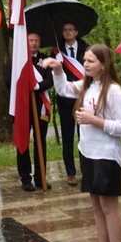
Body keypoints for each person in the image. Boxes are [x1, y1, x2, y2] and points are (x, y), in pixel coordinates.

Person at [42, 44, 121, 242]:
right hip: (89, 153)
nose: (86, 63)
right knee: (96, 205)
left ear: (104, 64)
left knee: (109, 208)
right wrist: (59, 68)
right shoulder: (88, 86)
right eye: (85, 60)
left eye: (91, 60)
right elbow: (63, 89)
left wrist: (95, 120)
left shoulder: (113, 91)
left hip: (107, 155)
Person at [16, 32, 54, 192]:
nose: (33, 43)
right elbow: (9, 81)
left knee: (41, 141)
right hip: (23, 106)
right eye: (31, 40)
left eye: (37, 41)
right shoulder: (18, 60)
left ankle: (40, 177)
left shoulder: (45, 59)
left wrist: (38, 86)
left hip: (40, 106)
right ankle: (25, 178)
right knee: (23, 142)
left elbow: (51, 80)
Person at [52, 22, 87, 185]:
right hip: (65, 99)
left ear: (76, 32)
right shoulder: (56, 51)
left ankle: (86, 169)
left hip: (83, 97)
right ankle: (70, 173)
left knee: (85, 135)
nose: (67, 32)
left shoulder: (87, 50)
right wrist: (57, 64)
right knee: (67, 136)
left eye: (70, 30)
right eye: (65, 30)